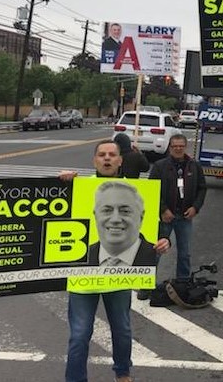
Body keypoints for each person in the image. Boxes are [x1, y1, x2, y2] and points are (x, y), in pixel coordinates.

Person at [60, 140, 170, 382]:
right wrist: (61, 183)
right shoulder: (78, 187)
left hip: (120, 278)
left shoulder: (139, 190)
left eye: (112, 154)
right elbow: (47, 211)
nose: (107, 158)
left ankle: (123, 373)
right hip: (82, 277)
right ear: (94, 160)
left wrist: (164, 241)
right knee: (79, 334)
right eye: (102, 155)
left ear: (121, 160)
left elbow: (158, 227)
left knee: (122, 330)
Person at [149, 134, 207, 280]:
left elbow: (202, 188)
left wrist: (195, 207)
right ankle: (147, 284)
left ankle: (183, 282)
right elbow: (152, 190)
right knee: (156, 250)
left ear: (185, 146)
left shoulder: (194, 166)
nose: (178, 149)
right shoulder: (160, 166)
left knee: (184, 253)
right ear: (170, 148)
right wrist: (163, 209)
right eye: (175, 146)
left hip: (185, 216)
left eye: (181, 146)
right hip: (164, 217)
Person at [89, 180, 156, 267]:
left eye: (125, 211)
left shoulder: (159, 255)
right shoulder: (79, 258)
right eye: (107, 210)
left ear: (141, 216)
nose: (115, 219)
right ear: (95, 215)